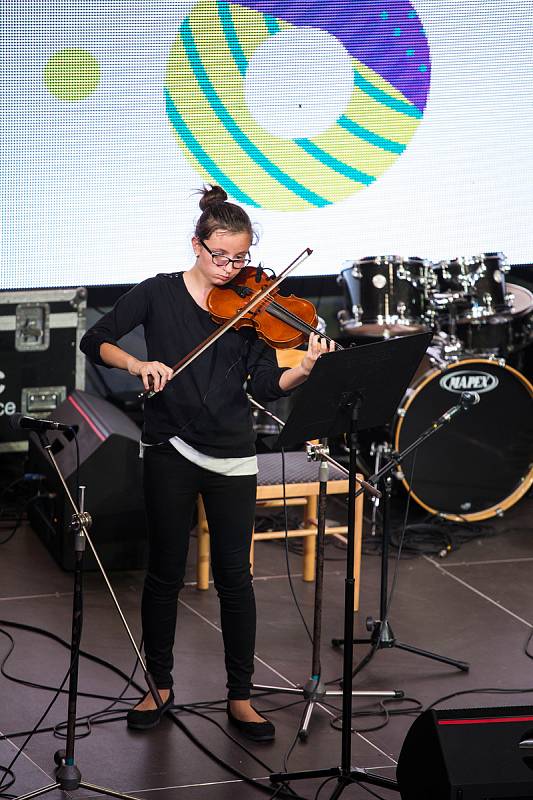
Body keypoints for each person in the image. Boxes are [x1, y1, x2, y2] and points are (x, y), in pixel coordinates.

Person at [80, 185, 333, 741]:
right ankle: (160, 684)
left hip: (232, 451)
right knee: (165, 573)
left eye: (242, 258)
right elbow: (95, 340)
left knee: (235, 579)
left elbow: (268, 382)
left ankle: (240, 696)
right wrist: (136, 362)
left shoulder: (250, 309)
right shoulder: (157, 294)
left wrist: (305, 369)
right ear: (196, 245)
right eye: (221, 256)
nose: (233, 269)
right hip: (168, 446)